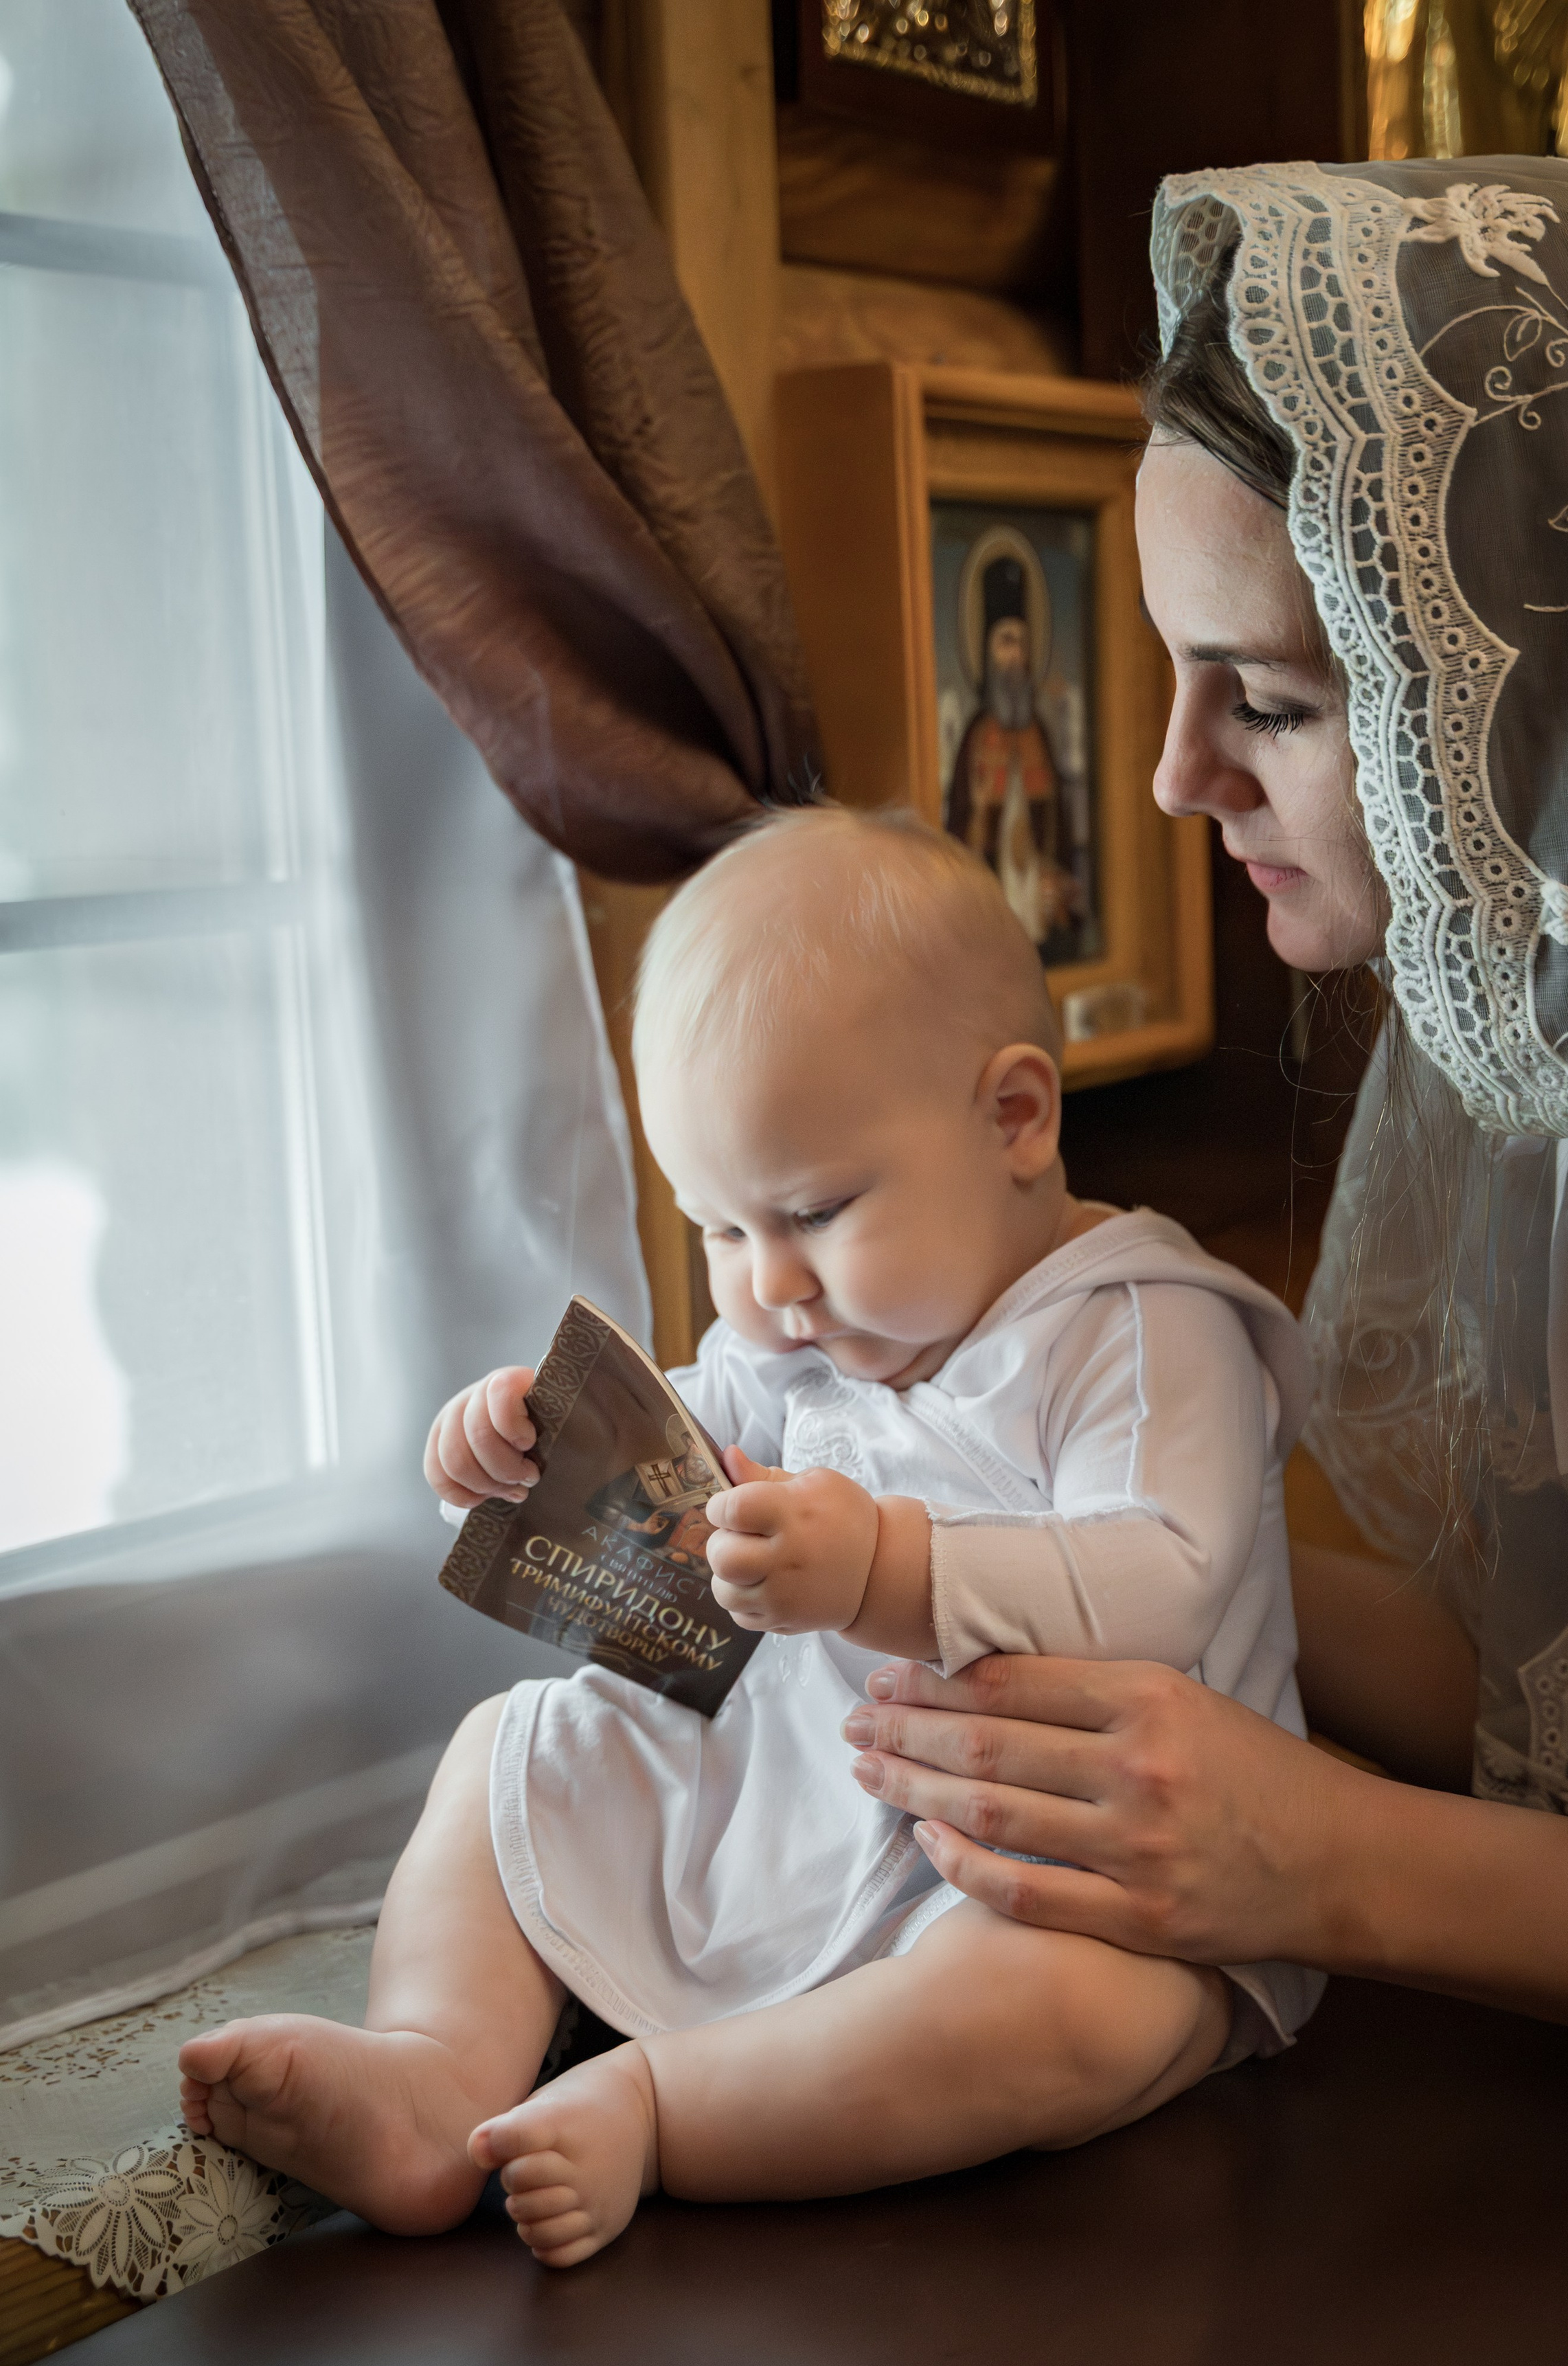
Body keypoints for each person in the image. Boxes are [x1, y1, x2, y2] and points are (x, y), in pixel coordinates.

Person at [834, 158, 1568, 2069]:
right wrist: (1037, 1524)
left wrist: (1319, 1860)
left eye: (1266, 699)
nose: (1176, 778)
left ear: (1538, 701)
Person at [177, 805, 1321, 2264]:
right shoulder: (799, 1333)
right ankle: (435, 2070)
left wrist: (886, 1570)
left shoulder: (1139, 1330)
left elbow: (1165, 1578)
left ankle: (663, 2107)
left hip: (1055, 1865)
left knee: (1083, 2014)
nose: (767, 1285)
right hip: (794, 1792)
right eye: (717, 1228)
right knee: (510, 1749)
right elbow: (668, 1462)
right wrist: (521, 1458)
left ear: (1014, 1117)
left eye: (813, 1209)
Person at [946, 552, 1081, 951]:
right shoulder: (974, 735)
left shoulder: (1039, 731)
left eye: (1021, 643)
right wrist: (981, 810)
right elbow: (958, 825)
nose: (1016, 656)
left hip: (1038, 892)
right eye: (1006, 642)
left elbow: (1059, 820)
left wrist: (1056, 873)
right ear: (988, 651)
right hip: (994, 887)